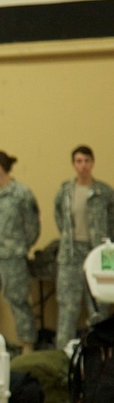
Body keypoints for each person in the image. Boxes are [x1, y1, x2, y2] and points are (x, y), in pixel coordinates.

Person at [0, 150, 40, 354]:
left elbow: (32, 227)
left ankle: (27, 345)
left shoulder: (22, 194)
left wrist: (19, 246)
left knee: (18, 300)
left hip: (13, 256)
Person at [54, 145, 114, 350]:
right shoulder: (65, 191)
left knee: (99, 308)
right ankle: (63, 358)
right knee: (67, 308)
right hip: (71, 254)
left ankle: (100, 355)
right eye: (79, 161)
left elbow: (112, 221)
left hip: (98, 254)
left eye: (87, 161)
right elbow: (59, 218)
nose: (83, 166)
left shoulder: (104, 192)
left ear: (93, 163)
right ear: (73, 164)